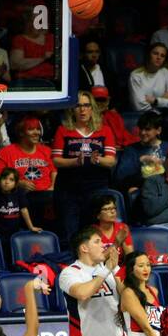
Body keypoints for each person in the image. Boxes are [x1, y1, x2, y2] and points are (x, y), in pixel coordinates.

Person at [52, 90, 117, 242]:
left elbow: (111, 161)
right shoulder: (63, 130)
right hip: (68, 189)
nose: (82, 110)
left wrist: (97, 160)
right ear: (71, 109)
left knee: (93, 232)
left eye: (86, 105)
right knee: (70, 233)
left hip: (96, 187)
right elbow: (56, 160)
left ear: (92, 108)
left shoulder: (104, 130)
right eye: (78, 106)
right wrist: (76, 161)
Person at [0, 115, 56, 224]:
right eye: (31, 129)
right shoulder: (7, 152)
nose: (36, 133)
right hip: (20, 197)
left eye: (38, 129)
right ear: (21, 133)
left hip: (46, 197)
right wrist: (17, 183)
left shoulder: (46, 150)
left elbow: (54, 171)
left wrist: (53, 186)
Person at [0, 167, 41, 254]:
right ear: (0, 180)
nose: (6, 182)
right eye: (4, 178)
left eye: (11, 180)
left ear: (15, 183)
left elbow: (24, 210)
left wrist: (31, 227)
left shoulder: (19, 192)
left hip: (15, 232)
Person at [128, 42, 168, 112]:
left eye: (162, 56)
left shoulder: (165, 72)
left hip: (163, 116)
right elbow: (139, 106)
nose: (159, 57)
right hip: (144, 117)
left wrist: (154, 100)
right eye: (155, 53)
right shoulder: (136, 75)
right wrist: (162, 99)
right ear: (148, 55)